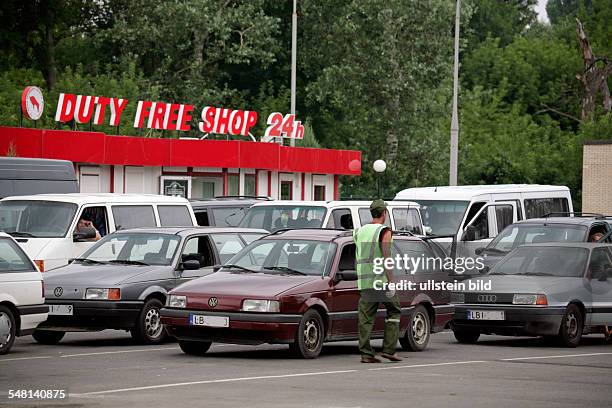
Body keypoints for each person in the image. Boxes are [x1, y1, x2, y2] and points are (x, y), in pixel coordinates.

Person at [353, 199, 402, 363]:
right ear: (384, 213)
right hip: (381, 281)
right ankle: (389, 349)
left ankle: (366, 354)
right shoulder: (384, 231)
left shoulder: (359, 231)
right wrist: (392, 283)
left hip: (365, 282)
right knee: (394, 310)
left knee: (365, 318)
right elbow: (387, 259)